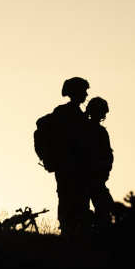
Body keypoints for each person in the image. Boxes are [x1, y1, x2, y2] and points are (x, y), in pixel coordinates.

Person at [46, 77, 92, 236]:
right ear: (75, 92)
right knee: (69, 201)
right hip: (68, 167)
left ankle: (77, 235)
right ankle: (69, 234)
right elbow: (61, 141)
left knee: (78, 202)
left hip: (77, 167)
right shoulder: (64, 113)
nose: (86, 94)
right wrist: (67, 163)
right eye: (83, 91)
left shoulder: (78, 114)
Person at [84, 97, 115, 228]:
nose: (103, 115)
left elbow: (108, 154)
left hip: (97, 176)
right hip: (85, 176)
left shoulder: (100, 131)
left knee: (105, 208)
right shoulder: (83, 128)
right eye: (102, 111)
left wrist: (105, 169)